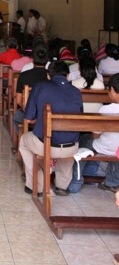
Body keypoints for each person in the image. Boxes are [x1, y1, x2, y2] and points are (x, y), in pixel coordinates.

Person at [19, 60, 83, 196]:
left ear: (48, 75)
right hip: (71, 147)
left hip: (46, 145)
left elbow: (28, 118)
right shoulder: (76, 92)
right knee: (68, 143)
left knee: (24, 141)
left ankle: (37, 184)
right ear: (67, 76)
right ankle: (62, 185)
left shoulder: (40, 86)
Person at [68, 73, 119, 194]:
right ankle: (112, 182)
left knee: (84, 139)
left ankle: (76, 182)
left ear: (112, 90)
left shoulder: (105, 110)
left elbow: (96, 135)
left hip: (103, 147)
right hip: (118, 150)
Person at [12, 41, 49, 134]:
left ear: (32, 59)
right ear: (47, 60)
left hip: (29, 112)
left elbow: (19, 101)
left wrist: (29, 109)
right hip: (48, 112)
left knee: (16, 118)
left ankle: (23, 138)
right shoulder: (51, 76)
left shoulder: (24, 75)